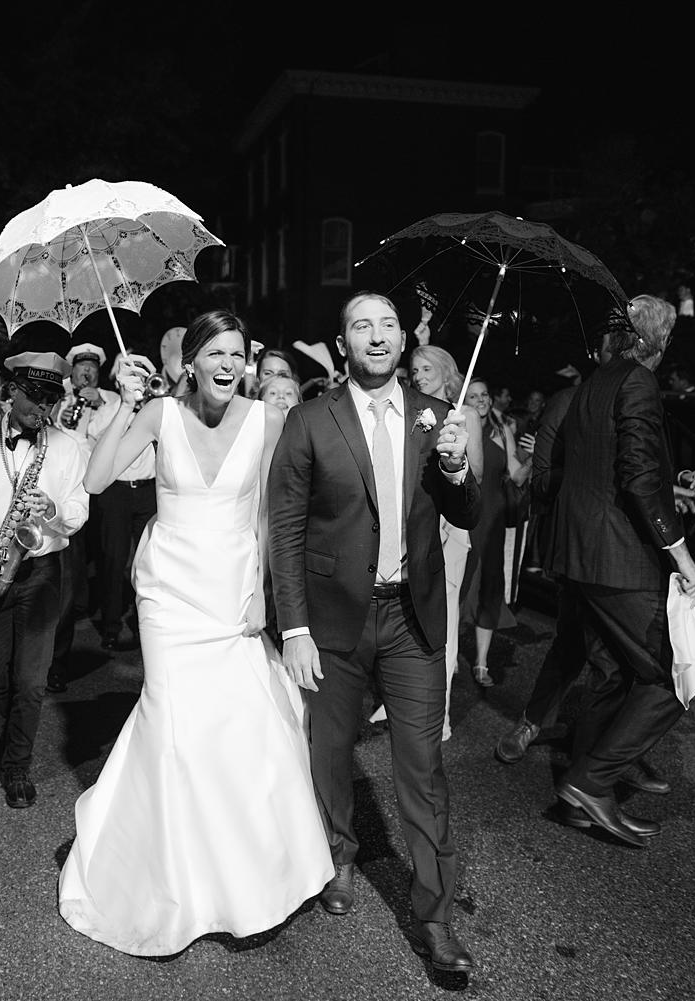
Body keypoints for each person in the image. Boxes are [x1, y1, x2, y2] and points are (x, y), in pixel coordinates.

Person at [58, 310, 331, 956]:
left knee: (241, 725)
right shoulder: (159, 415)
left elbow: (268, 513)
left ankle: (246, 875)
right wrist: (126, 405)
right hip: (169, 597)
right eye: (217, 353)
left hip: (231, 595)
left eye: (239, 354)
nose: (229, 365)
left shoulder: (268, 421)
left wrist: (263, 597)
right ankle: (175, 884)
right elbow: (95, 481)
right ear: (194, 358)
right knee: (175, 728)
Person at [268, 291, 482, 973]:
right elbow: (287, 529)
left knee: (421, 767)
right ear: (343, 345)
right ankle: (337, 852)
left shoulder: (439, 418)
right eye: (363, 325)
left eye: (388, 324)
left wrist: (455, 466)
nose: (379, 334)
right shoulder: (309, 420)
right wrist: (294, 627)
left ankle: (436, 915)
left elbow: (469, 511)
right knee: (330, 751)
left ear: (401, 340)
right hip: (332, 620)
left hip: (412, 619)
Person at [544, 294, 695, 848]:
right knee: (671, 674)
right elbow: (635, 479)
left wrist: (669, 483)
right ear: (658, 342)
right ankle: (590, 783)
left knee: (613, 673)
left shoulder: (595, 382)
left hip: (581, 553)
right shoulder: (637, 381)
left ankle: (580, 801)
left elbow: (608, 468)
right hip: (619, 558)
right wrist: (682, 557)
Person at [0, 351, 90, 808]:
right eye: (34, 398)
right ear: (11, 392)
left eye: (50, 400)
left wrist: (54, 512)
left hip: (42, 570)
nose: (41, 409)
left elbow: (80, 510)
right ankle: (12, 723)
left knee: (32, 679)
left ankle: (17, 765)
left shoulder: (66, 446)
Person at [406, 344, 483, 740]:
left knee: (444, 618)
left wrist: (455, 453)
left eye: (426, 369)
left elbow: (478, 479)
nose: (419, 375)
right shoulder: (414, 412)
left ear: (446, 371)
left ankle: (443, 713)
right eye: (414, 369)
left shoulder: (464, 414)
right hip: (415, 522)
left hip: (450, 530)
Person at [46, 343, 117, 693]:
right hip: (57, 490)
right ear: (72, 371)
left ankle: (61, 656)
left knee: (86, 563)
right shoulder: (57, 395)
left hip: (95, 486)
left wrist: (100, 406)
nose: (86, 373)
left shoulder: (111, 401)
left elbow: (114, 441)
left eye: (92, 367)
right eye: (80, 367)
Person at [459, 376, 529, 688]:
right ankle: (446, 653)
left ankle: (482, 662)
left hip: (494, 521)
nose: (481, 400)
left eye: (484, 394)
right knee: (460, 584)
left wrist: (537, 456)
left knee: (488, 586)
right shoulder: (460, 426)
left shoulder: (504, 431)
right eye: (473, 396)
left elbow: (516, 475)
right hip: (466, 517)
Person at [86, 352, 158, 652]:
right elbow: (95, 440)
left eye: (141, 373)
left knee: (150, 563)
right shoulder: (109, 410)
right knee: (114, 561)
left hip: (149, 490)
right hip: (115, 492)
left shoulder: (158, 405)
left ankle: (148, 627)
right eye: (130, 373)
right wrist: (125, 410)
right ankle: (111, 625)